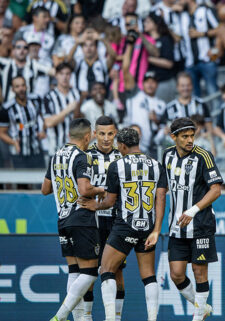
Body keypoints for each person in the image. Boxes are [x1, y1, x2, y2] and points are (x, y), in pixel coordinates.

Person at [79, 127, 168, 321]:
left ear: (122, 145)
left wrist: (95, 206)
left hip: (124, 226)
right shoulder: (156, 164)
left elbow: (110, 202)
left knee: (106, 269)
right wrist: (156, 230)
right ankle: (152, 319)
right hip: (148, 227)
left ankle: (111, 318)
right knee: (149, 276)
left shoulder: (117, 166)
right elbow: (161, 199)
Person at [42, 118, 106, 321]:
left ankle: (78, 320)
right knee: (89, 272)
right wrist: (100, 190)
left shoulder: (55, 156)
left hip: (62, 219)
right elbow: (84, 189)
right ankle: (60, 317)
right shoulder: (82, 156)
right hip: (81, 218)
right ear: (88, 136)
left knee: (74, 271)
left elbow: (45, 189)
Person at [162, 117, 223, 321]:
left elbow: (216, 190)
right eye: (185, 136)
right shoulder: (167, 156)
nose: (190, 140)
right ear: (174, 138)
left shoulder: (203, 156)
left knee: (199, 272)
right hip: (177, 227)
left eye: (192, 136)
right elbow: (162, 189)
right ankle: (202, 308)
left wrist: (193, 210)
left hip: (201, 224)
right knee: (176, 274)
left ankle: (197, 317)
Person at [83, 116, 124, 321]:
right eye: (102, 134)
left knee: (116, 273)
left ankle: (115, 318)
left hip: (116, 221)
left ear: (115, 133)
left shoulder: (122, 156)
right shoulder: (86, 156)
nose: (106, 138)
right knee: (90, 272)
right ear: (94, 134)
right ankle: (87, 317)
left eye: (110, 134)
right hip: (93, 220)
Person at [162, 72, 215, 155]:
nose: (185, 88)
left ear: (192, 86)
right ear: (177, 87)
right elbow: (165, 131)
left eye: (188, 85)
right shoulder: (169, 108)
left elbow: (209, 128)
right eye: (182, 86)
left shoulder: (201, 104)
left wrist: (208, 137)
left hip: (200, 149)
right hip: (178, 152)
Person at [0, 76, 45, 169]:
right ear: (12, 89)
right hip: (19, 152)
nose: (21, 89)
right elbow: (1, 133)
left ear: (26, 86)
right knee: (22, 182)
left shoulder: (35, 100)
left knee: (41, 181)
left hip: (36, 149)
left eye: (23, 85)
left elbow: (44, 118)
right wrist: (13, 142)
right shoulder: (7, 109)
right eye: (17, 86)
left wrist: (43, 130)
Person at [42, 62, 81, 156]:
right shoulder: (49, 97)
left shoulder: (76, 94)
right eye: (61, 74)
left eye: (67, 74)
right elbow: (48, 123)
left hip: (73, 148)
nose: (65, 77)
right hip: (55, 147)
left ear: (71, 76)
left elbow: (78, 118)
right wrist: (67, 110)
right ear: (56, 76)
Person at [124, 71, 166, 156]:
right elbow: (126, 72)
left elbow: (163, 128)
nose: (150, 85)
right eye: (147, 82)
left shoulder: (162, 104)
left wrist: (156, 120)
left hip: (150, 147)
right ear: (142, 84)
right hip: (132, 144)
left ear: (157, 84)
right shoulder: (134, 96)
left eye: (153, 82)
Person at [183, 0, 219, 99]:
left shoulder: (205, 10)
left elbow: (220, 29)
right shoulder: (182, 15)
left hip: (207, 60)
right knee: (194, 97)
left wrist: (201, 34)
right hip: (190, 63)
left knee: (213, 94)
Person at [143, 12, 176, 103]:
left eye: (148, 22)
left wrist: (148, 59)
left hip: (164, 82)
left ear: (156, 24)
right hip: (149, 84)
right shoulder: (144, 41)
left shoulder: (165, 40)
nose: (145, 24)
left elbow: (169, 63)